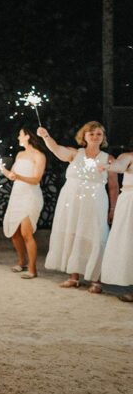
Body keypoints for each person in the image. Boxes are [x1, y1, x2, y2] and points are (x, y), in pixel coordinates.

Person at [40, 122, 118, 293]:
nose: (95, 137)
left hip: (95, 201)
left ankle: (95, 279)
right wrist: (46, 136)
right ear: (84, 136)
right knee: (73, 233)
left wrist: (113, 209)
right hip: (72, 200)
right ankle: (73, 277)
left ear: (103, 137)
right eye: (91, 134)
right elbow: (56, 149)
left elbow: (113, 186)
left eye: (98, 134)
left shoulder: (108, 158)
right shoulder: (75, 153)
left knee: (96, 235)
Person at [1, 127, 46, 279]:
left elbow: (36, 179)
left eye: (20, 134)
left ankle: (33, 269)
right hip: (17, 195)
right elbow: (12, 175)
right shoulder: (20, 154)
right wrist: (0, 169)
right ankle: (22, 261)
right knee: (14, 233)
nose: (18, 137)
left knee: (26, 233)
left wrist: (18, 176)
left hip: (30, 195)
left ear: (27, 136)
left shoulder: (39, 156)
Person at [101, 152, 133, 302]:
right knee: (128, 244)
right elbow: (119, 166)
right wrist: (108, 165)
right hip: (129, 203)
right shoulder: (128, 156)